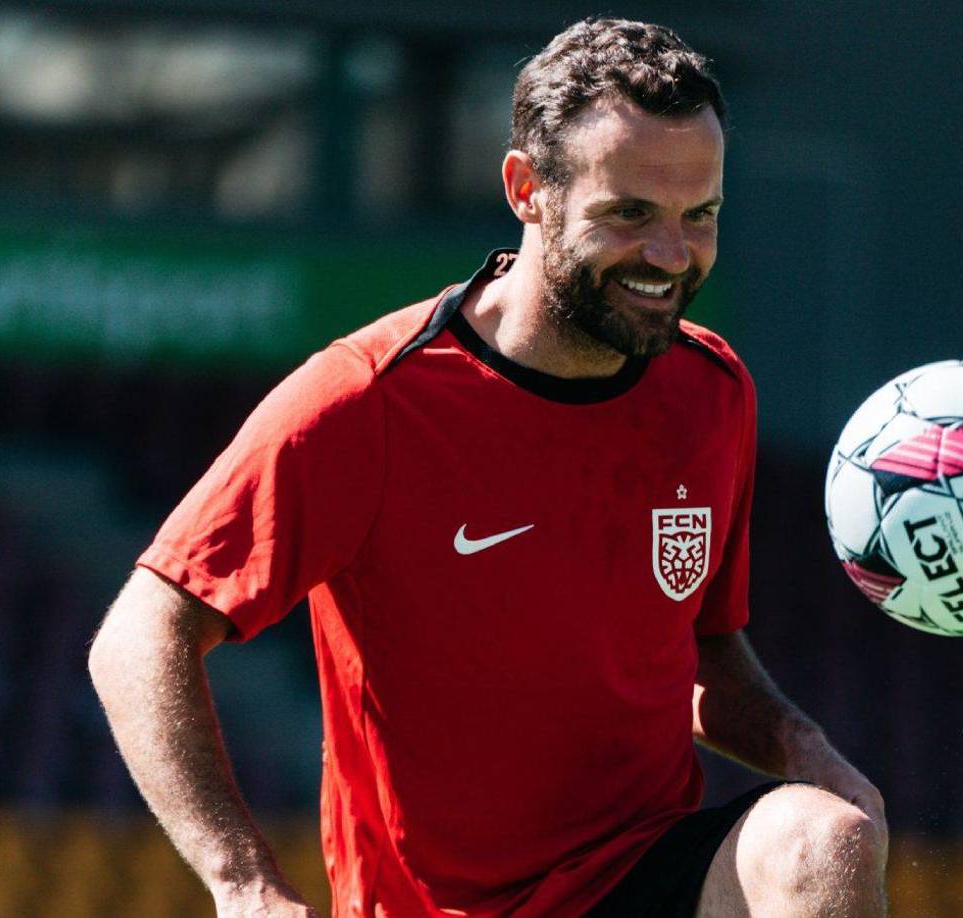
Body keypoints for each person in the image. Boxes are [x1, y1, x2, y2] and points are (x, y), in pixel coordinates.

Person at [89, 17, 887, 918]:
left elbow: (702, 650)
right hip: (434, 907)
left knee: (826, 842)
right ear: (527, 190)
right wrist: (245, 888)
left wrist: (802, 745)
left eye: (697, 215)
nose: (672, 255)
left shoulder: (712, 390)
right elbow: (138, 637)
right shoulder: (364, 403)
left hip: (639, 873)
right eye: (629, 213)